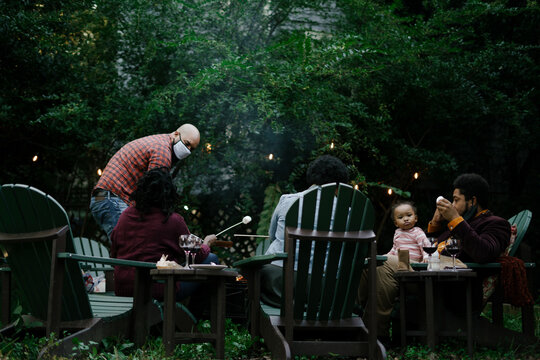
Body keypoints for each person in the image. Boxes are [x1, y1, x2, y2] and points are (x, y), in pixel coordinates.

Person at [357, 172, 511, 341]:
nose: (452, 205)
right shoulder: (460, 224)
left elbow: (484, 252)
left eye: (456, 200)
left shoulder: (495, 223)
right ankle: (356, 320)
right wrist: (436, 225)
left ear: (472, 201)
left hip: (453, 285)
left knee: (385, 263)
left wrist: (455, 219)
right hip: (427, 275)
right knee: (371, 265)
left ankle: (375, 337)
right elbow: (436, 247)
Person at [110, 168, 218, 302]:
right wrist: (206, 243)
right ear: (169, 193)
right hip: (158, 289)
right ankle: (192, 319)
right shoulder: (172, 220)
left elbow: (113, 255)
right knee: (211, 259)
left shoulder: (125, 216)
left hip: (123, 289)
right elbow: (198, 255)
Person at [260, 155, 349, 307]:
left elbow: (272, 236)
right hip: (325, 288)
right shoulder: (347, 213)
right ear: (339, 185)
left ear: (311, 177)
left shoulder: (287, 201)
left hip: (279, 284)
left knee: (255, 277)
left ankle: (256, 328)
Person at [90, 124, 201, 240]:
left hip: (101, 196)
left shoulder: (159, 142)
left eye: (191, 149)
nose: (188, 150)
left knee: (126, 246)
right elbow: (155, 195)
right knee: (129, 247)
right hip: (112, 198)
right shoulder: (163, 152)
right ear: (175, 134)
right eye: (187, 143)